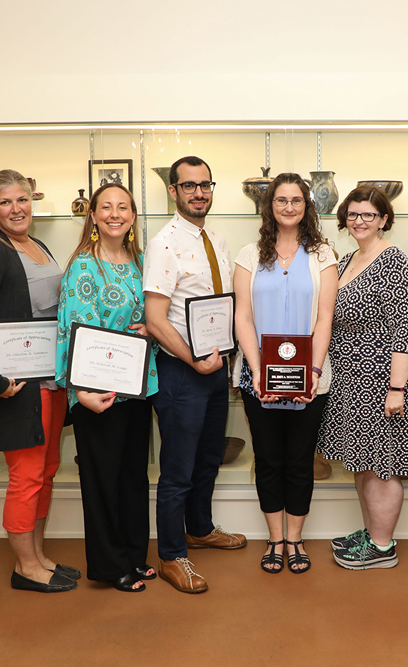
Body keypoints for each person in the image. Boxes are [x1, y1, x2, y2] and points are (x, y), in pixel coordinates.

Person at [0, 169, 77, 594]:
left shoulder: (36, 245)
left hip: (50, 382)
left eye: (22, 200)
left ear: (32, 201)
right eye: (5, 202)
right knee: (25, 476)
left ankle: (39, 556)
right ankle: (25, 566)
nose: (16, 209)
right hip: (17, 387)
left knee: (46, 471)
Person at [144, 155, 246, 594]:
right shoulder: (163, 243)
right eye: (189, 186)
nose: (199, 192)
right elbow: (155, 319)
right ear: (174, 191)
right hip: (181, 370)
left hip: (214, 368)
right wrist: (192, 359)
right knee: (178, 469)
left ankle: (199, 528)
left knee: (208, 458)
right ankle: (171, 556)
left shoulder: (217, 239)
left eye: (205, 184)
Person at [56, 182, 159, 592]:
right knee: (101, 480)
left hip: (138, 388)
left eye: (123, 207)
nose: (115, 214)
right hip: (96, 392)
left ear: (133, 217)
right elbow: (70, 329)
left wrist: (152, 328)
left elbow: (153, 317)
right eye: (106, 208)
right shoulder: (83, 265)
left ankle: (135, 555)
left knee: (134, 476)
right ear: (94, 216)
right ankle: (109, 564)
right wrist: (79, 392)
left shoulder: (140, 262)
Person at [233, 173, 337, 574]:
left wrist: (312, 369)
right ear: (270, 205)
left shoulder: (324, 255)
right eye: (281, 200)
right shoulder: (249, 255)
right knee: (268, 458)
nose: (289, 207)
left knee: (299, 460)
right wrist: (257, 371)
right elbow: (242, 317)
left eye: (297, 200)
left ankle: (295, 540)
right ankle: (274, 540)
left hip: (310, 377)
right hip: (258, 376)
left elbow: (325, 317)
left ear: (306, 206)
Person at [319, 185, 408, 570]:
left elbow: (405, 326)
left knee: (383, 464)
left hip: (382, 380)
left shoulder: (394, 261)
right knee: (363, 460)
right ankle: (371, 534)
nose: (360, 220)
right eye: (353, 214)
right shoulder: (347, 258)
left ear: (383, 219)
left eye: (369, 214)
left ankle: (382, 547)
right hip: (350, 380)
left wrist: (397, 389)